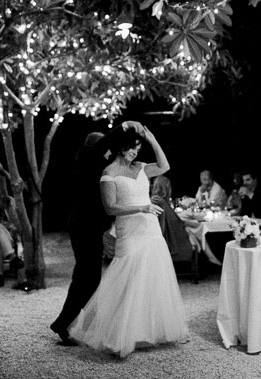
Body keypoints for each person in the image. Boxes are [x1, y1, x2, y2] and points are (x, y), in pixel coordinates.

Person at [68, 126, 189, 358]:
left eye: (138, 148)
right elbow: (110, 207)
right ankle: (118, 335)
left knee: (152, 279)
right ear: (121, 148)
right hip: (130, 231)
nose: (135, 152)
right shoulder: (109, 173)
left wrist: (152, 139)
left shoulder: (142, 168)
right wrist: (141, 207)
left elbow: (165, 166)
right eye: (132, 148)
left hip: (150, 230)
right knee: (127, 278)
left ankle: (149, 331)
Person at [50, 121, 145, 345]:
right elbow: (102, 145)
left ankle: (74, 324)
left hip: (87, 227)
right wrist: (122, 127)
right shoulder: (87, 159)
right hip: (85, 228)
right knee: (89, 278)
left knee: (85, 278)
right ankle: (67, 324)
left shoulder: (92, 165)